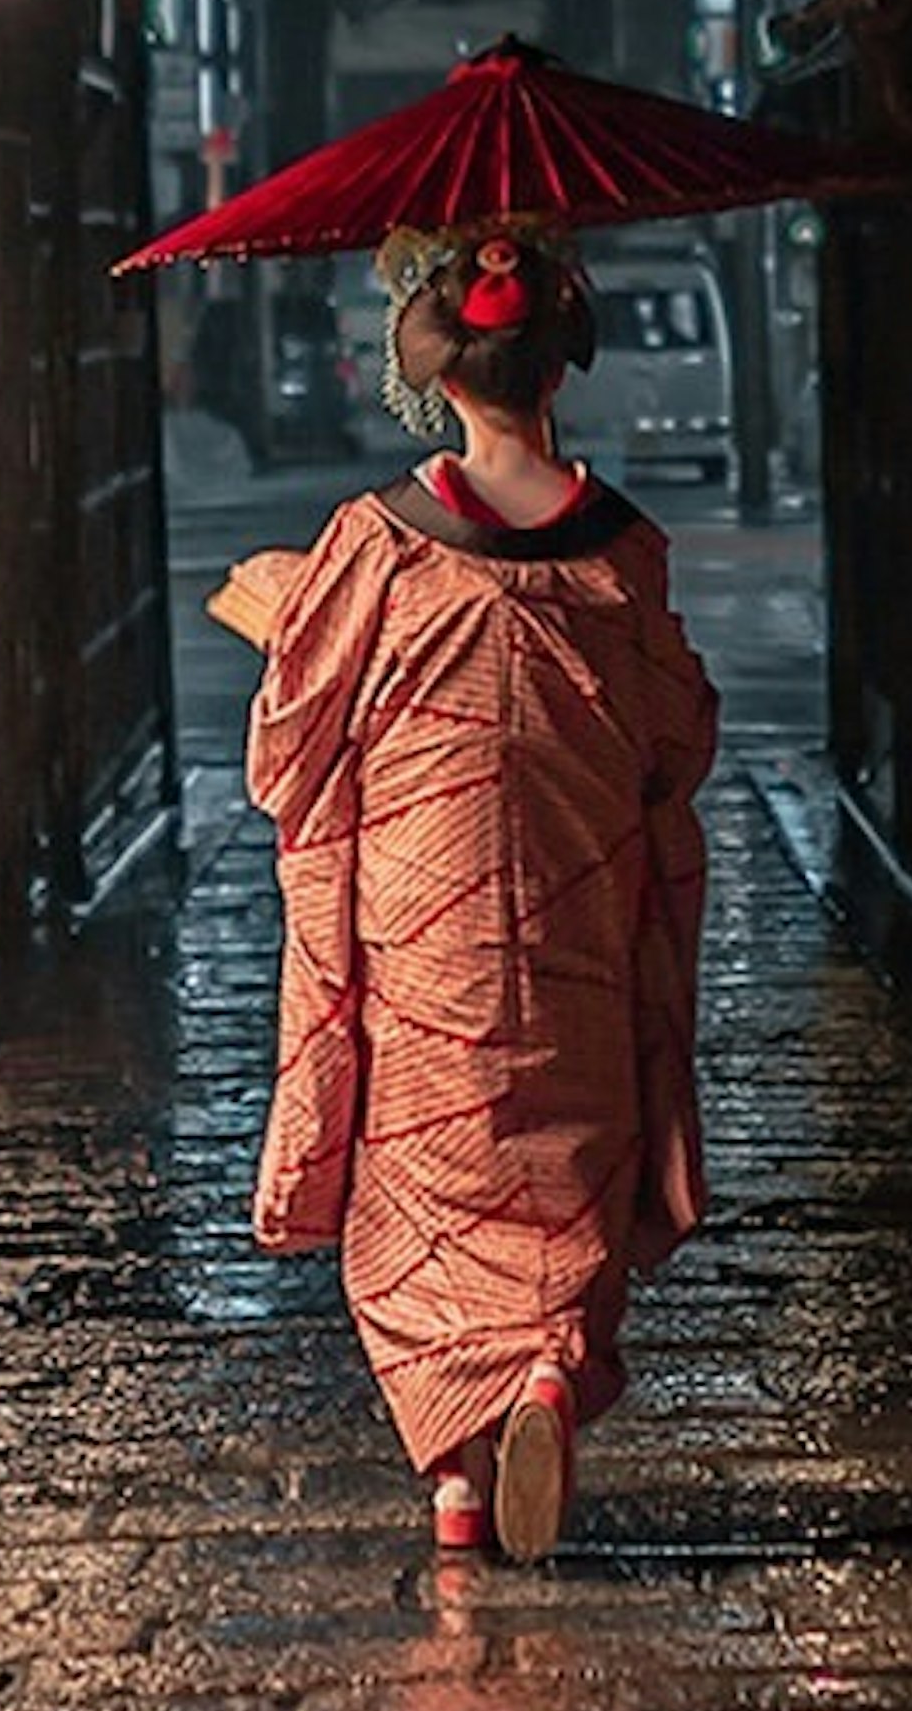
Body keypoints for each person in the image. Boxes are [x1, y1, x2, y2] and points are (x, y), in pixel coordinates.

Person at [243, 220, 719, 1561]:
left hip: (421, 928)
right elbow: (678, 739)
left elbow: (290, 747)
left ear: (438, 372)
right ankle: (552, 1373)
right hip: (577, 916)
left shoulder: (377, 544)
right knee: (569, 1176)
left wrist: (292, 623)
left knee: (421, 1206)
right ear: (558, 366)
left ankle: (456, 1487)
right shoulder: (623, 554)